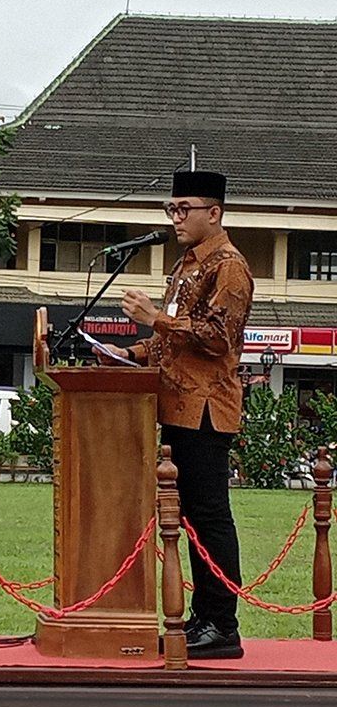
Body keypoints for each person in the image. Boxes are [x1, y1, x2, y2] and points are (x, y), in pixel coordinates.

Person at [94, 170, 253, 660]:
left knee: (208, 517)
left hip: (206, 409)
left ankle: (222, 624)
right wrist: (131, 353)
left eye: (185, 208)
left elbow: (217, 339)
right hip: (176, 405)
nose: (176, 218)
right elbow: (173, 344)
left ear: (215, 212)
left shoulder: (229, 266)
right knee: (185, 517)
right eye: (172, 209)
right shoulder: (186, 265)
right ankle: (204, 616)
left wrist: (153, 318)